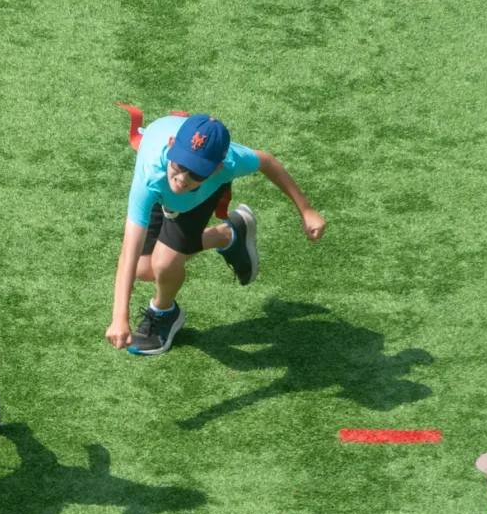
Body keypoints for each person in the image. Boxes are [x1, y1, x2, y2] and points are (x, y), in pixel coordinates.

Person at [105, 110, 325, 356]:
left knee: (164, 264)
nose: (183, 179)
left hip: (198, 199)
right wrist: (119, 316)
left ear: (217, 168)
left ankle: (165, 311)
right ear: (170, 147)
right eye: (181, 165)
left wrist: (306, 210)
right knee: (143, 269)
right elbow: (129, 251)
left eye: (197, 172)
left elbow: (268, 161)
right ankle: (227, 234)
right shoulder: (150, 176)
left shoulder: (229, 163)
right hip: (159, 187)